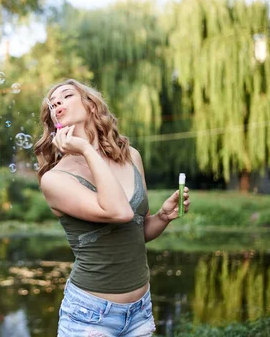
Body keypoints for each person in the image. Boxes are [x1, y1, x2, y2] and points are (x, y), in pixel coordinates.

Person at [34, 79, 190, 337]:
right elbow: (119, 212)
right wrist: (84, 148)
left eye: (66, 95)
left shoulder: (131, 157)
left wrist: (162, 217)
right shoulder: (55, 179)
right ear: (55, 123)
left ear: (91, 104)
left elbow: (136, 231)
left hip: (140, 312)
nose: (57, 103)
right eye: (53, 104)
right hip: (89, 318)